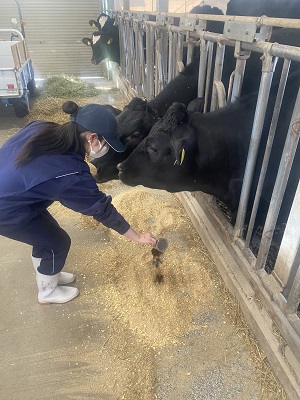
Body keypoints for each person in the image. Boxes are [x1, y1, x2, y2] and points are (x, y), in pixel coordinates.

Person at [0, 101, 157, 304]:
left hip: (14, 195)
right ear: (92, 137)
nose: (107, 148)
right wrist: (137, 237)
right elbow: (102, 210)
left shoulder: (42, 127)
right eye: (107, 143)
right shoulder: (71, 173)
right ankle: (47, 292)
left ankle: (48, 273)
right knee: (58, 242)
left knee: (45, 234)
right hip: (6, 210)